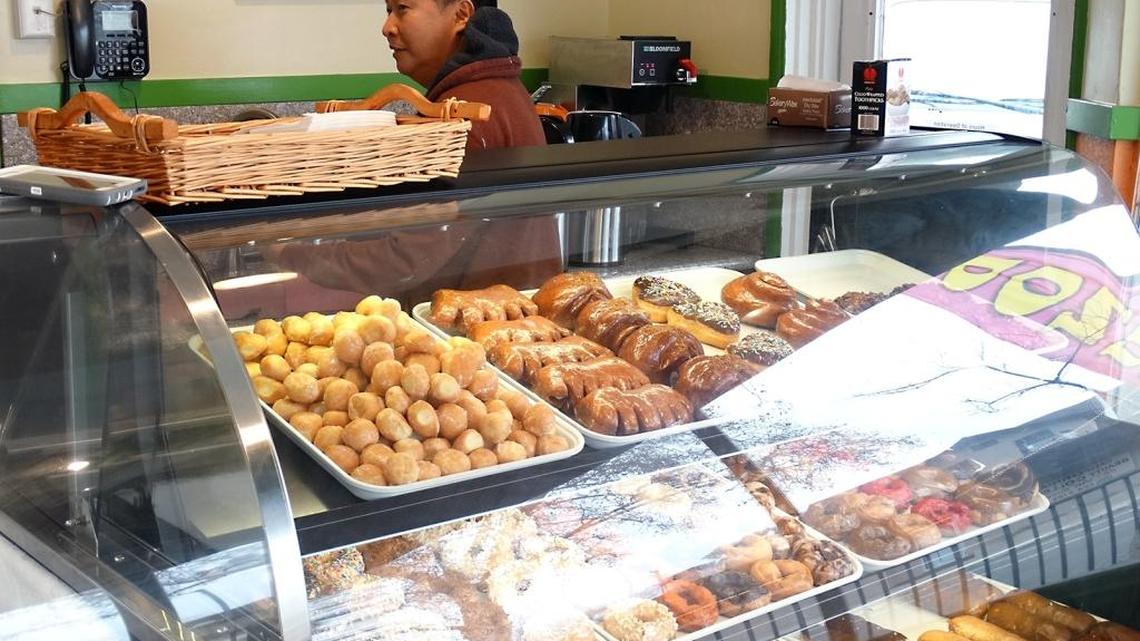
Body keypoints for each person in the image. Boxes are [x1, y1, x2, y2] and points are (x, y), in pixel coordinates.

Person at [383, 0, 544, 150]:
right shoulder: (501, 84)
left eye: (402, 8)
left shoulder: (462, 118)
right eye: (389, 10)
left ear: (461, 14)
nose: (386, 28)